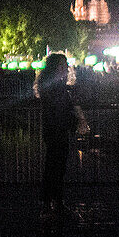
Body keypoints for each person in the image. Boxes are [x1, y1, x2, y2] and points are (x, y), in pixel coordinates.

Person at [37, 52, 79, 213]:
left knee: (56, 166)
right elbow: (57, 106)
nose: (66, 68)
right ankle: (51, 200)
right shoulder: (54, 86)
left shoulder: (51, 84)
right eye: (63, 65)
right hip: (56, 128)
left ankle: (52, 199)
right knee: (55, 166)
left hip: (57, 128)